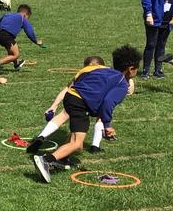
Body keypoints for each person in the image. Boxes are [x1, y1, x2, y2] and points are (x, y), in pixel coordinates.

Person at [28, 45, 141, 183]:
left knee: (78, 143)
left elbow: (82, 75)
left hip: (70, 97)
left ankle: (62, 158)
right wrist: (107, 125)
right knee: (77, 143)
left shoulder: (102, 70)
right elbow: (108, 103)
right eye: (137, 68)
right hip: (80, 104)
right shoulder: (122, 84)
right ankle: (46, 160)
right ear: (130, 69)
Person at [42, 56, 124, 154]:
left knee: (67, 117)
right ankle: (94, 147)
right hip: (92, 102)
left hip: (79, 100)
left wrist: (54, 106)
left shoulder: (85, 72)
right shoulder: (109, 72)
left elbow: (67, 89)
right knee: (78, 142)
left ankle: (42, 137)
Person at [0, 4, 43, 71]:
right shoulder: (22, 18)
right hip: (7, 35)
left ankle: (17, 64)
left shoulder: (7, 15)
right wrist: (36, 41)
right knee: (16, 54)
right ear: (26, 14)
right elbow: (29, 31)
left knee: (12, 51)